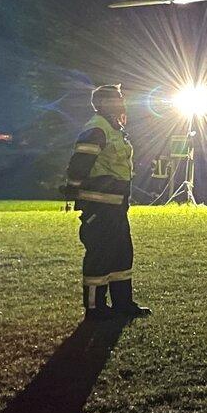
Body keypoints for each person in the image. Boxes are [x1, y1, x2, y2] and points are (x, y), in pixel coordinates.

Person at [62, 84, 151, 317]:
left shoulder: (113, 127)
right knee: (100, 256)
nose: (121, 102)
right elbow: (80, 163)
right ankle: (96, 309)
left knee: (122, 254)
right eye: (116, 98)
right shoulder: (97, 129)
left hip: (115, 206)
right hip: (99, 207)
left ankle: (123, 304)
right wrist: (73, 188)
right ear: (102, 103)